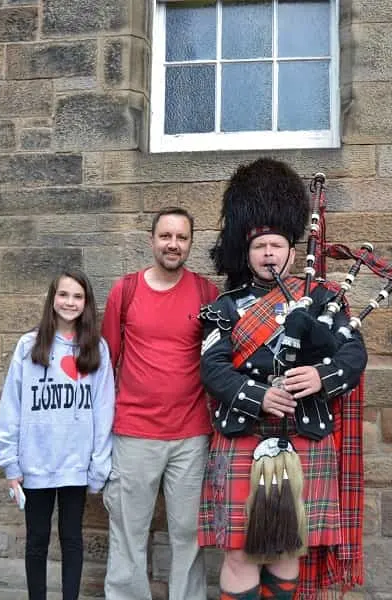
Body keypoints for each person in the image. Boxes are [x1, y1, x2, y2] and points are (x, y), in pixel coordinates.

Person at [199, 158, 368, 600]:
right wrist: (257, 396)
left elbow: (353, 354)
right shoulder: (226, 307)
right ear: (247, 252)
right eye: (259, 247)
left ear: (293, 251)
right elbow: (213, 369)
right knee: (238, 552)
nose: (268, 254)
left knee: (286, 549)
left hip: (304, 433)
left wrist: (320, 376)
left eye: (276, 245)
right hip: (243, 434)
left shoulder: (324, 300)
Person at [100, 207, 219, 600]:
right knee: (129, 531)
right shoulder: (126, 290)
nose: (173, 244)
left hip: (191, 434)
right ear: (152, 240)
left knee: (188, 534)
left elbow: (218, 361)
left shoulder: (206, 293)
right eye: (166, 236)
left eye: (181, 238)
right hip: (134, 433)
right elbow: (106, 364)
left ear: (190, 243)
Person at [0, 269, 115, 600]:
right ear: (52, 299)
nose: (70, 302)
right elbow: (11, 404)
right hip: (35, 463)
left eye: (78, 296)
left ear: (86, 303)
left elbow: (105, 409)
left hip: (75, 464)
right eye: (64, 295)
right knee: (36, 541)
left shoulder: (97, 349)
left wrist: (98, 463)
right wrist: (10, 462)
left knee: (72, 538)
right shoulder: (28, 345)